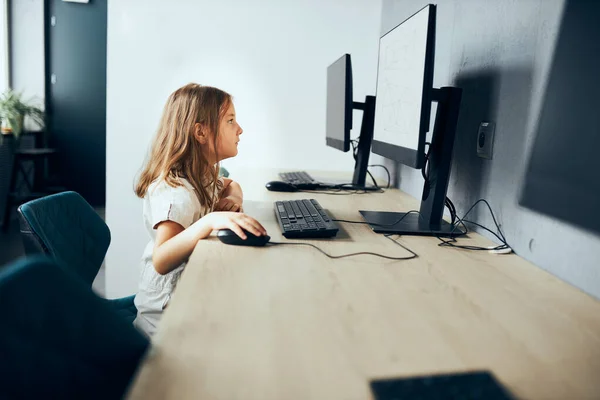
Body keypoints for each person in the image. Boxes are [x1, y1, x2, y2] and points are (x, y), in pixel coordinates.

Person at [132, 83, 267, 337]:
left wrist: (234, 195)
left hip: (189, 295)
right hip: (164, 320)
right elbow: (161, 259)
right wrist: (210, 221)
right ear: (201, 132)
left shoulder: (202, 174)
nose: (240, 129)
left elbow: (230, 183)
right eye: (230, 121)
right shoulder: (177, 191)